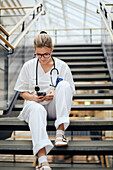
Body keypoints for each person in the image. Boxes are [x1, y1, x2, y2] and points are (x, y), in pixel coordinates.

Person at [14, 31, 75, 170]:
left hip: (54, 107)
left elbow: (69, 91)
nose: (42, 58)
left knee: (64, 85)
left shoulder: (62, 66)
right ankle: (43, 161)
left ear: (51, 50)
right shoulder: (28, 66)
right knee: (36, 109)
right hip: (34, 105)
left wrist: (56, 92)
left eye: (46, 54)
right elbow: (23, 92)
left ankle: (60, 134)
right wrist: (34, 97)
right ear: (35, 51)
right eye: (39, 54)